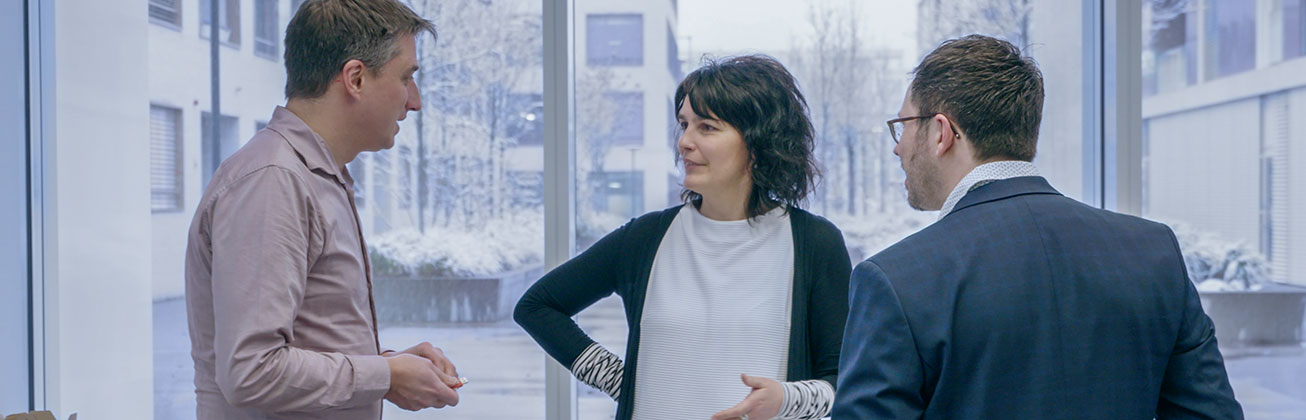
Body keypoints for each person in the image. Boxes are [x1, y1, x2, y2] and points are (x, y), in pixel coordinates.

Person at [832, 34, 1243, 419]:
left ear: (941, 132)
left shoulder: (896, 282)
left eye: (903, 125)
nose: (897, 146)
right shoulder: (1154, 252)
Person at [515, 55, 850, 420]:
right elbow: (537, 307)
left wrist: (787, 399)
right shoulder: (645, 238)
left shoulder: (815, 243)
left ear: (758, 142)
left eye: (706, 127)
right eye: (684, 124)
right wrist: (620, 380)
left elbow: (843, 381)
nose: (684, 142)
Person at [184, 1, 461, 418]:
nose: (415, 101)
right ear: (355, 78)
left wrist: (389, 368)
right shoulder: (273, 180)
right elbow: (252, 372)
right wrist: (384, 374)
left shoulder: (310, 175)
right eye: (406, 79)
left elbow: (306, 343)